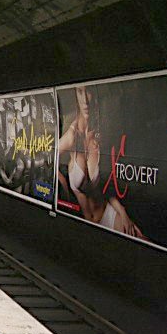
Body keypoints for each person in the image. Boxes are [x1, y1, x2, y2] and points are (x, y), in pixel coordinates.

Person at [57, 86, 144, 238]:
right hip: (86, 222)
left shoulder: (99, 136)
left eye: (88, 91)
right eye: (79, 92)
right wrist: (64, 188)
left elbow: (105, 189)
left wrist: (122, 213)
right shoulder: (72, 137)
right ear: (75, 95)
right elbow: (47, 157)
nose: (85, 100)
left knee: (141, 238)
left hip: (107, 213)